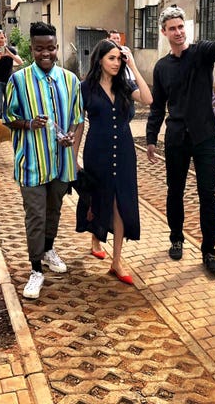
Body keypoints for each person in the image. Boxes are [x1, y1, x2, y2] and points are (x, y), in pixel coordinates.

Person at [145, 5, 215, 275]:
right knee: (175, 190)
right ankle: (176, 238)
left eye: (181, 27)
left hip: (205, 135)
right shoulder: (162, 68)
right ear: (164, 32)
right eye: (172, 28)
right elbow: (157, 106)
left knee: (208, 194)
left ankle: (209, 252)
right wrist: (150, 138)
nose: (178, 32)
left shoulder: (200, 54)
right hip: (176, 137)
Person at [3, 21, 83, 299]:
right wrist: (28, 124)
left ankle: (48, 250)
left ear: (57, 47)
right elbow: (8, 118)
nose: (45, 53)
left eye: (50, 48)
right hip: (32, 164)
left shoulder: (71, 81)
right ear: (31, 49)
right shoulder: (19, 80)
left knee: (53, 212)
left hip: (60, 163)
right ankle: (36, 269)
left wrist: (70, 138)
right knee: (35, 216)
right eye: (39, 49)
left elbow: (77, 119)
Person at [73, 39, 152, 285]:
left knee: (120, 202)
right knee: (96, 197)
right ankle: (95, 238)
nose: (116, 63)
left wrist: (134, 67)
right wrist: (73, 157)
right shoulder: (85, 88)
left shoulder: (125, 85)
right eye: (112, 58)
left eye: (119, 59)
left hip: (125, 151)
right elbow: (78, 124)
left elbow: (149, 99)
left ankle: (116, 260)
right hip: (97, 150)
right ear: (100, 60)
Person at [0, 30, 23, 119]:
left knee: (10, 105)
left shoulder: (11, 50)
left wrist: (10, 55)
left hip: (9, 81)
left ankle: (9, 125)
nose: (0, 40)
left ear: (5, 38)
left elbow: (20, 62)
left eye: (2, 38)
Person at [108, 29, 136, 120]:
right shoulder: (106, 52)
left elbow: (132, 65)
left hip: (129, 82)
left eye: (118, 38)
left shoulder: (126, 50)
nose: (117, 40)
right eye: (114, 38)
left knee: (131, 110)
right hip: (117, 83)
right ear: (108, 39)